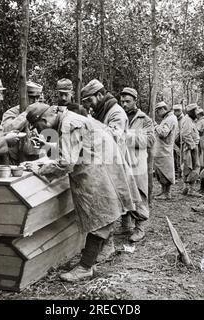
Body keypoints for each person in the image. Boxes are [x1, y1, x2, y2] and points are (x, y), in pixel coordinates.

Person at [24, 102, 140, 282]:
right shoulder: (71, 118)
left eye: (39, 127)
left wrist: (39, 168)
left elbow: (67, 163)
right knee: (104, 215)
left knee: (99, 216)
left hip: (99, 172)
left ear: (44, 119)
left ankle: (86, 267)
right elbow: (75, 149)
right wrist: (47, 148)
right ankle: (95, 257)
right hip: (103, 168)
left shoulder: (69, 123)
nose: (40, 131)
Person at [81, 79, 141, 257]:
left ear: (99, 95)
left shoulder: (116, 113)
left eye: (89, 101)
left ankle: (108, 246)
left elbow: (113, 137)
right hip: (102, 165)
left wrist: (90, 122)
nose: (88, 106)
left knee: (109, 206)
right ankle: (106, 245)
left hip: (114, 166)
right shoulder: (101, 110)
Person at [120, 87, 155, 242]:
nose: (125, 104)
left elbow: (150, 140)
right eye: (122, 101)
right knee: (123, 192)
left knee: (139, 194)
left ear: (135, 101)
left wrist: (126, 136)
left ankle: (140, 228)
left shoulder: (144, 119)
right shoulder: (119, 116)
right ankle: (125, 225)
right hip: (121, 161)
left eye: (128, 101)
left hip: (137, 163)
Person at [2, 81, 44, 163]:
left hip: (35, 158)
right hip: (15, 160)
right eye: (32, 97)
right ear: (24, 96)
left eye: (37, 97)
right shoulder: (11, 112)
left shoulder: (41, 112)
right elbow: (5, 130)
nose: (35, 101)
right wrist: (25, 114)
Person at [154, 101, 178, 200]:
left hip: (164, 150)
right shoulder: (168, 118)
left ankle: (167, 193)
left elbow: (163, 133)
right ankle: (163, 191)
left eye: (158, 110)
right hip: (162, 149)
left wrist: (155, 126)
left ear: (163, 109)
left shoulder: (170, 119)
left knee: (165, 172)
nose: (157, 113)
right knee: (161, 171)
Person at [180, 103, 201, 197]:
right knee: (193, 167)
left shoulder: (190, 120)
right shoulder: (187, 120)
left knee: (188, 166)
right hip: (190, 147)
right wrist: (192, 145)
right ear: (192, 111)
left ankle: (186, 187)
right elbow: (185, 134)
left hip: (190, 146)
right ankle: (190, 189)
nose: (197, 113)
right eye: (195, 110)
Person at [173, 104, 184, 178]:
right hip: (175, 141)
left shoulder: (183, 119)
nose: (175, 113)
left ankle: (180, 172)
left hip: (180, 142)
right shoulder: (175, 118)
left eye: (176, 111)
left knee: (180, 157)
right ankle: (177, 171)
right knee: (176, 157)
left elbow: (181, 132)